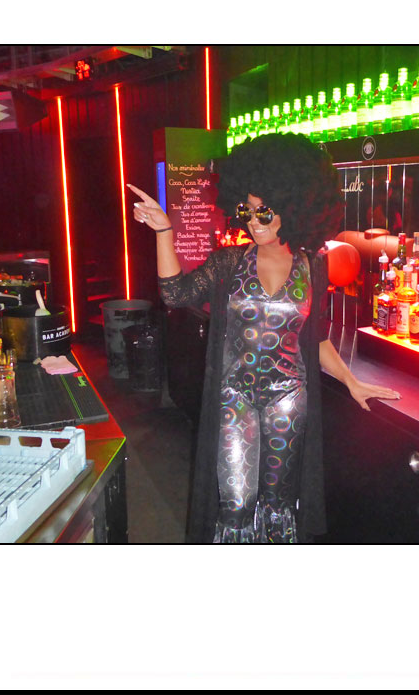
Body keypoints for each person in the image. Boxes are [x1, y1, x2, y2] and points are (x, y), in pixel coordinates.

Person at [128, 133, 400, 544]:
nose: (253, 221)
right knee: (236, 503)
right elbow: (176, 294)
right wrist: (164, 231)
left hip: (288, 398)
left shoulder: (314, 267)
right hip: (235, 396)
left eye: (264, 211)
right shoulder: (228, 262)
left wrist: (351, 381)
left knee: (277, 503)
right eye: (247, 210)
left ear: (293, 207)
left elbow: (315, 338)